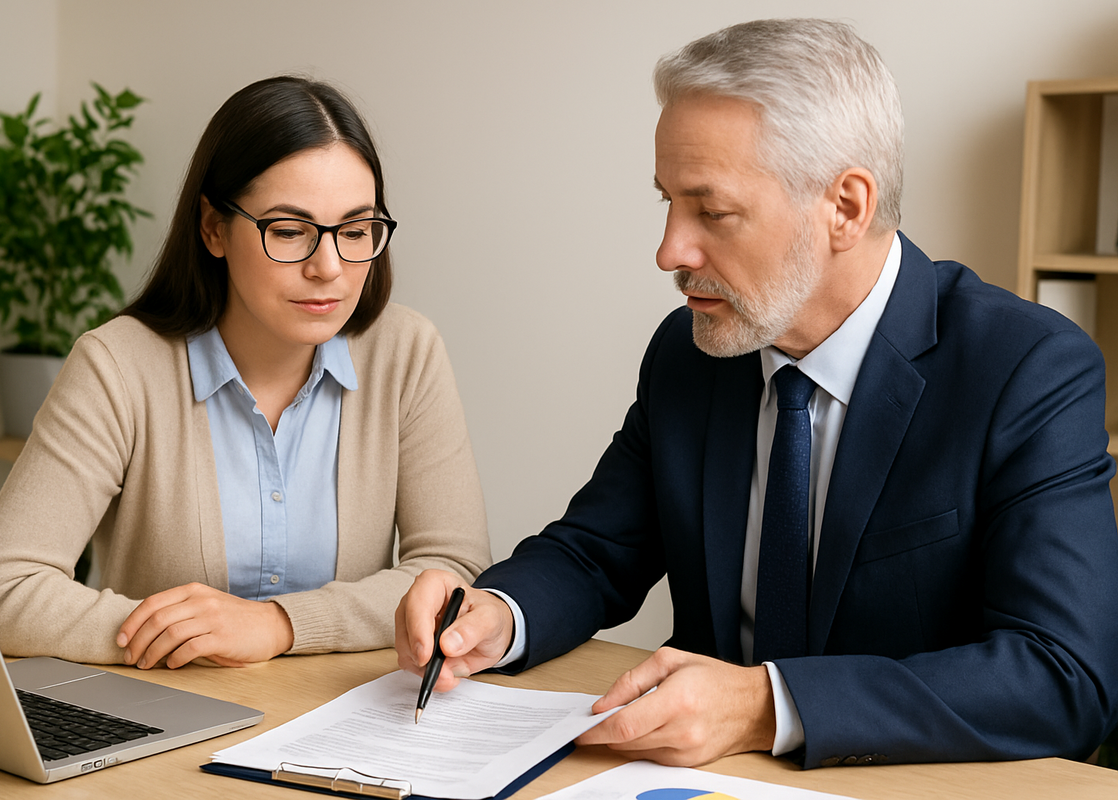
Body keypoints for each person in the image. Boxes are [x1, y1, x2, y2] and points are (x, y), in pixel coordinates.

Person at [395, 19, 1118, 769]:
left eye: (712, 211)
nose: (670, 251)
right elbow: (595, 554)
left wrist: (767, 705)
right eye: (667, 203)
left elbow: (1065, 677)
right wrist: (494, 615)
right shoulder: (691, 352)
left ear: (845, 207)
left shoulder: (1025, 368)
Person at [0, 76, 491, 669]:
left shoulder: (407, 352)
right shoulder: (117, 366)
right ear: (214, 228)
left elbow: (455, 572)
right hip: (165, 721)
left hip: (345, 720)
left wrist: (279, 625)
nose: (330, 268)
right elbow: (2, 589)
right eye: (290, 232)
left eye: (354, 232)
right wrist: (190, 635)